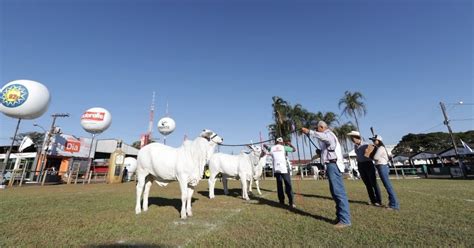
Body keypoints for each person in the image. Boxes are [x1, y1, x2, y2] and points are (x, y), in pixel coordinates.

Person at [302, 121, 351, 228]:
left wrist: (309, 132)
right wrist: (321, 152)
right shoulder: (327, 136)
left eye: (317, 128)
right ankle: (340, 217)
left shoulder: (328, 134)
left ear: (322, 127)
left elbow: (325, 138)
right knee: (335, 192)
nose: (316, 129)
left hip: (333, 165)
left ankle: (345, 220)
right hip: (331, 165)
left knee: (338, 192)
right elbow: (329, 149)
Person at [347, 131, 382, 207]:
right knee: (367, 184)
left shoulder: (366, 144)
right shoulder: (355, 146)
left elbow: (371, 155)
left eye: (352, 138)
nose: (352, 140)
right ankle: (372, 200)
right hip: (360, 165)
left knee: (374, 183)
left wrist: (370, 151)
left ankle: (378, 200)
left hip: (368, 164)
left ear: (357, 137)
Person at [264, 137, 297, 208]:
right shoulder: (284, 147)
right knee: (288, 185)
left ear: (276, 142)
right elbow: (294, 150)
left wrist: (265, 146)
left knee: (279, 186)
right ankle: (291, 202)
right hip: (284, 169)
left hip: (276, 170)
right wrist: (290, 144)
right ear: (281, 142)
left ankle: (281, 202)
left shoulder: (272, 148)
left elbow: (268, 148)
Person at [370, 135, 400, 210]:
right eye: (373, 140)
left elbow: (375, 157)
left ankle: (394, 204)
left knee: (388, 186)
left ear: (378, 141)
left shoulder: (381, 148)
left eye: (374, 140)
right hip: (381, 166)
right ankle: (392, 203)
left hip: (382, 166)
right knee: (387, 185)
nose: (373, 141)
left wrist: (372, 152)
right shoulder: (380, 148)